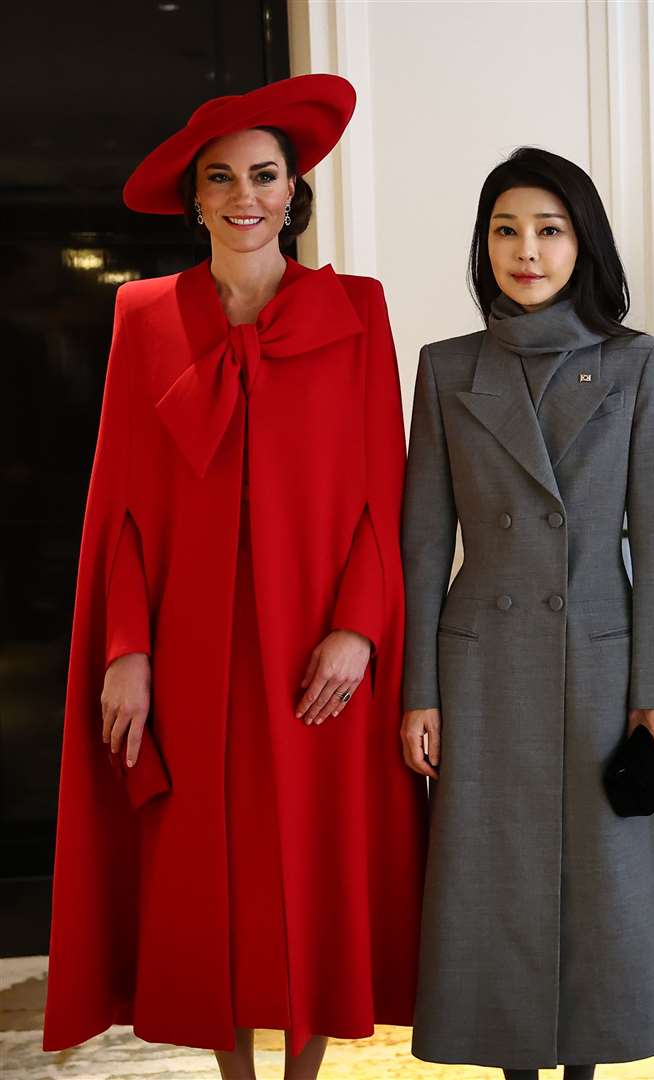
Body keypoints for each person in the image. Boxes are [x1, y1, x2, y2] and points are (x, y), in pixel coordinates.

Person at [41, 75, 428, 1079]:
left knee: (309, 863)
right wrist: (126, 649)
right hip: (191, 650)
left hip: (315, 645)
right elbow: (119, 503)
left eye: (264, 175)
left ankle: (303, 1076)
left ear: (295, 191)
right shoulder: (144, 316)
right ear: (197, 197)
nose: (244, 194)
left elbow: (380, 487)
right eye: (222, 178)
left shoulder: (356, 308)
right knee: (205, 874)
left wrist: (359, 627)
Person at [400, 147, 654, 1079]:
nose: (527, 250)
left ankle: (586, 1064)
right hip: (481, 661)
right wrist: (419, 691)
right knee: (492, 879)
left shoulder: (641, 363)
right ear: (484, 247)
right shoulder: (445, 368)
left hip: (601, 657)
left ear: (582, 244)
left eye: (549, 230)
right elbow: (421, 544)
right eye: (506, 230)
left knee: (601, 885)